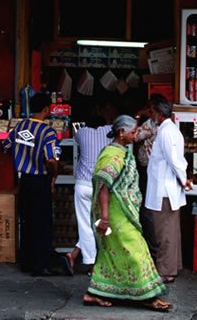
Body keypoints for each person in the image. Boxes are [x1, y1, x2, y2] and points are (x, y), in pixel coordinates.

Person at [83, 115, 170, 311]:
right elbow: (104, 186)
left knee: (109, 252)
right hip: (115, 213)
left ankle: (93, 293)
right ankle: (148, 296)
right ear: (121, 133)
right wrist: (104, 218)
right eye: (133, 132)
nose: (136, 134)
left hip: (121, 211)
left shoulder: (120, 151)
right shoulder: (113, 155)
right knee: (137, 250)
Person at [2, 93, 70, 276]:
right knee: (42, 223)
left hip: (25, 179)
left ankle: (26, 262)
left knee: (26, 221)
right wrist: (54, 177)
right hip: (40, 180)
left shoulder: (20, 125)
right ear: (47, 109)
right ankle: (39, 265)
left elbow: (6, 146)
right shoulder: (48, 132)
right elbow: (52, 160)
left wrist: (23, 156)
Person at [65, 105, 115, 275]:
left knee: (86, 225)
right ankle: (99, 261)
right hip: (102, 186)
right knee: (102, 223)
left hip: (83, 185)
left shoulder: (82, 133)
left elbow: (75, 138)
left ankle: (89, 261)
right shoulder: (109, 130)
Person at [145, 97, 191, 284]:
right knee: (169, 230)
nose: (151, 116)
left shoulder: (166, 132)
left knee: (164, 232)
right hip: (165, 188)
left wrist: (183, 179)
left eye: (152, 112)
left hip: (164, 190)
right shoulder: (168, 130)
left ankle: (166, 271)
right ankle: (171, 266)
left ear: (159, 113)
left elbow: (174, 160)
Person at [133, 94, 167, 259]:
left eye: (151, 110)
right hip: (159, 170)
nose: (150, 112)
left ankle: (152, 249)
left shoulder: (151, 124)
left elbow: (133, 135)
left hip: (148, 170)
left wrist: (138, 116)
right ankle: (156, 249)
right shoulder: (168, 124)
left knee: (147, 209)